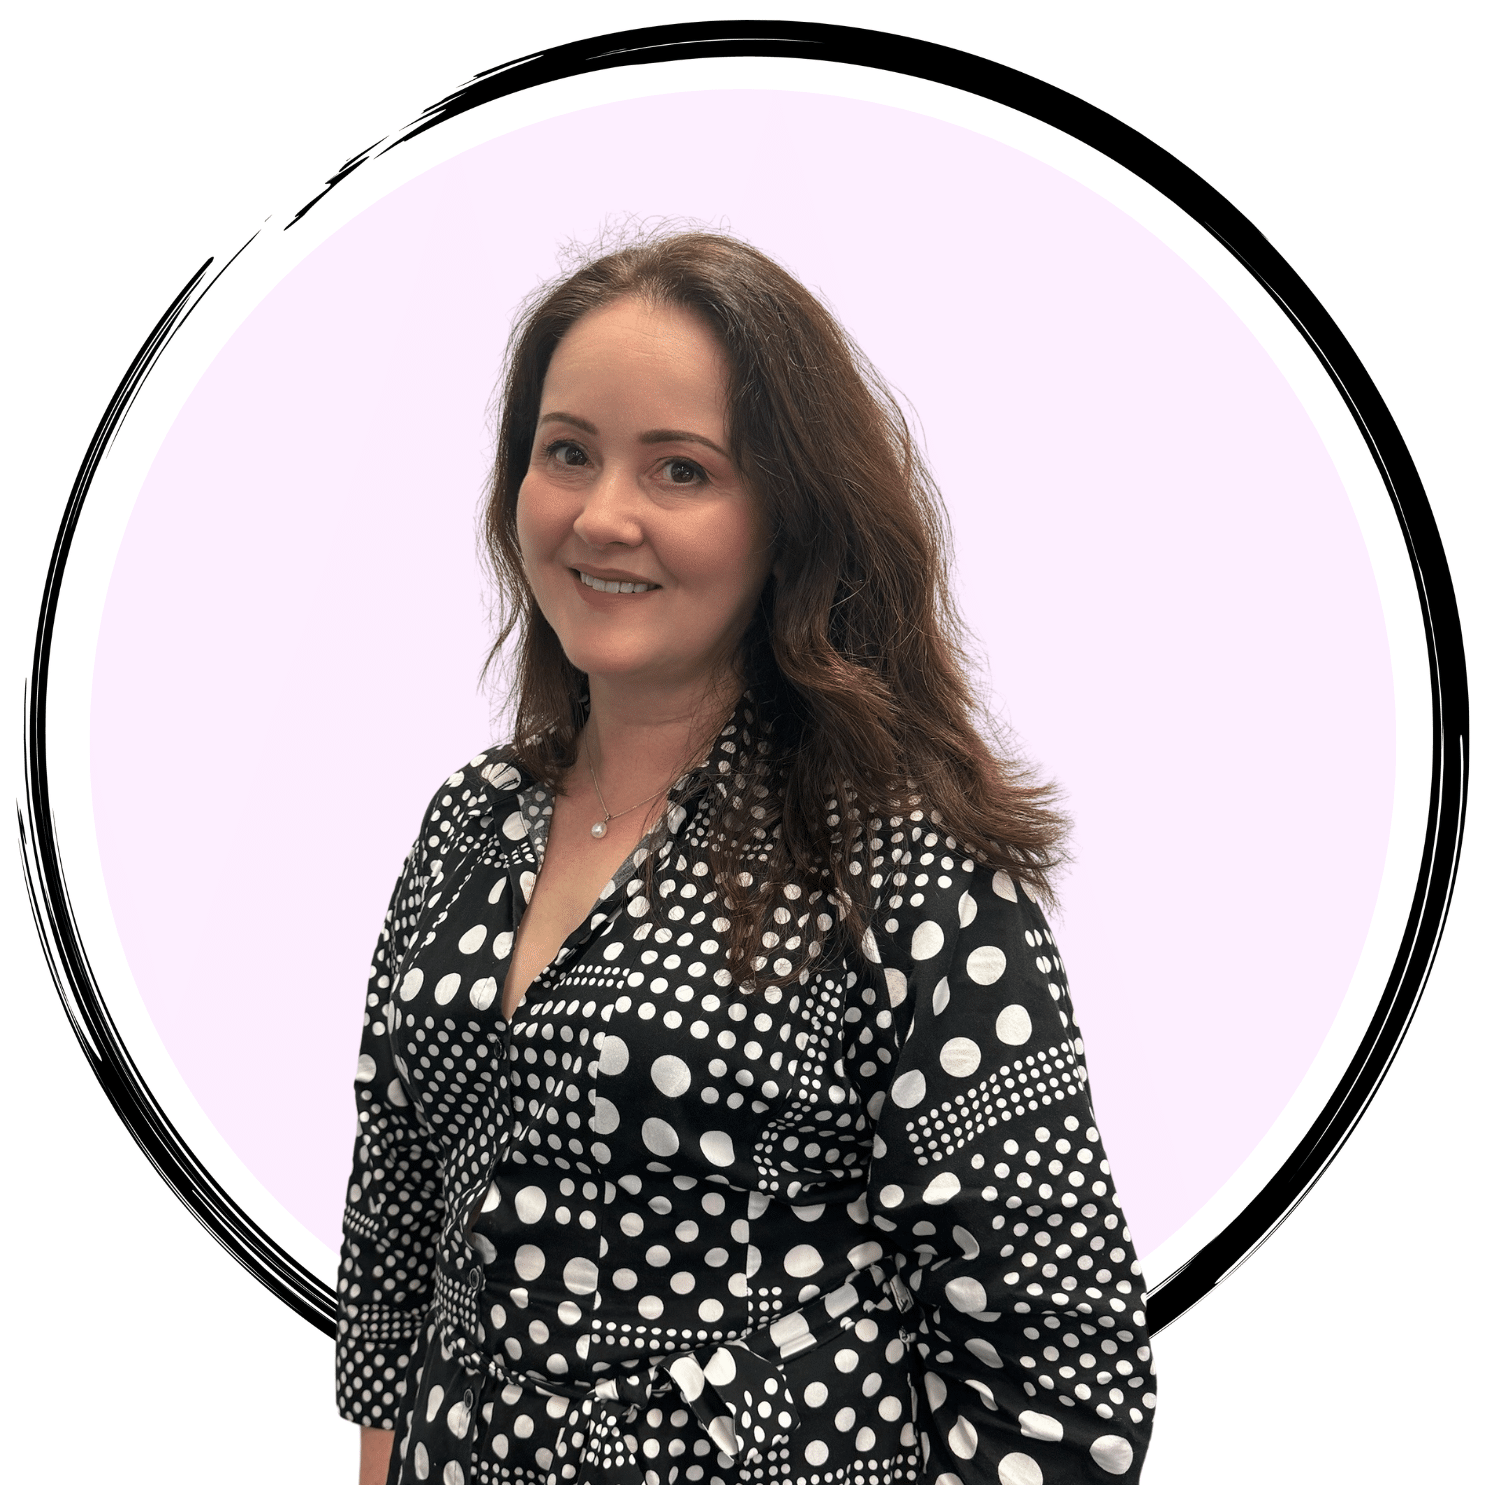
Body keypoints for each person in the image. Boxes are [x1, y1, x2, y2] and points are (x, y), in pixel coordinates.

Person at [336, 231, 1154, 1485]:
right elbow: (398, 1217)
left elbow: (1061, 1380)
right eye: (568, 453)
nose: (602, 516)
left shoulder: (900, 862)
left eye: (680, 470)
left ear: (791, 518)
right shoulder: (471, 821)